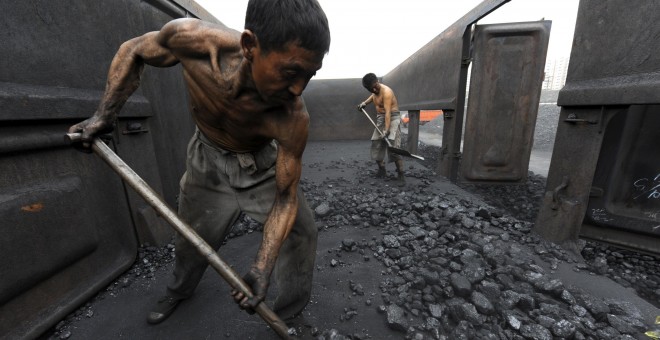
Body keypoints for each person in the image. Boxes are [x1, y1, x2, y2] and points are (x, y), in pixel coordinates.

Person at [68, 0, 330, 325]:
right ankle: (179, 291)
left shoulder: (292, 117)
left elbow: (285, 198)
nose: (298, 88)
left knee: (302, 233)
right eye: (291, 72)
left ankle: (287, 316)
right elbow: (133, 50)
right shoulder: (194, 42)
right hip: (206, 158)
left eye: (309, 74)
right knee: (193, 237)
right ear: (250, 45)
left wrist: (262, 266)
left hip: (259, 166)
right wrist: (102, 116)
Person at [357, 73, 405, 186]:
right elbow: (373, 96)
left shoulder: (387, 92)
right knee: (376, 144)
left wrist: (386, 130)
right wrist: (364, 103)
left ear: (378, 81)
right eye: (371, 89)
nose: (374, 89)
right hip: (380, 118)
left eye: (375, 87)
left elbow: (388, 113)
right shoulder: (374, 91)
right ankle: (382, 170)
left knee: (393, 145)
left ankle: (401, 174)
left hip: (392, 117)